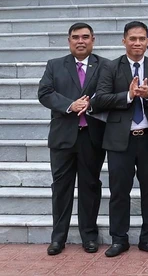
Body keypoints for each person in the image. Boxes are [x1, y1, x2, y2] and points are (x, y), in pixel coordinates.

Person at [94, 21, 148, 258]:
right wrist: (127, 95)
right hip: (119, 140)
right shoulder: (110, 68)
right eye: (133, 39)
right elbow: (100, 100)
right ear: (124, 40)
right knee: (119, 191)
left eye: (142, 39)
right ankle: (119, 238)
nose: (137, 43)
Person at [37, 23, 109, 256]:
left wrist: (91, 103)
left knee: (90, 186)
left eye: (85, 37)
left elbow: (109, 94)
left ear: (93, 40)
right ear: (69, 41)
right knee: (61, 189)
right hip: (62, 138)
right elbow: (45, 93)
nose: (81, 41)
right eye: (76, 37)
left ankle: (89, 235)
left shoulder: (105, 66)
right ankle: (58, 238)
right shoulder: (55, 65)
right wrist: (70, 105)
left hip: (91, 137)